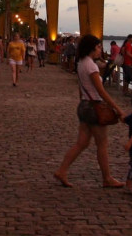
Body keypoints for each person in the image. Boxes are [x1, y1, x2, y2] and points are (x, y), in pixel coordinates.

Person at [52, 33, 124, 188]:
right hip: (93, 107)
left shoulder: (81, 63)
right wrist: (118, 109)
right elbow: (101, 91)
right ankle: (107, 178)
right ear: (92, 48)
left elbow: (81, 87)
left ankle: (62, 170)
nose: (100, 50)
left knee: (82, 143)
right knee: (102, 143)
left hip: (84, 105)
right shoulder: (91, 65)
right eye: (98, 47)